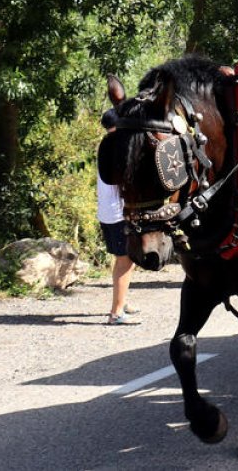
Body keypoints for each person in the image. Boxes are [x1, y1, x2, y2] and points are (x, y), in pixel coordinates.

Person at [99, 107, 139, 325]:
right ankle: (116, 313)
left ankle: (122, 301)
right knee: (125, 260)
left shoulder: (108, 144)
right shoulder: (118, 147)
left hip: (109, 212)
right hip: (117, 214)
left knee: (126, 260)